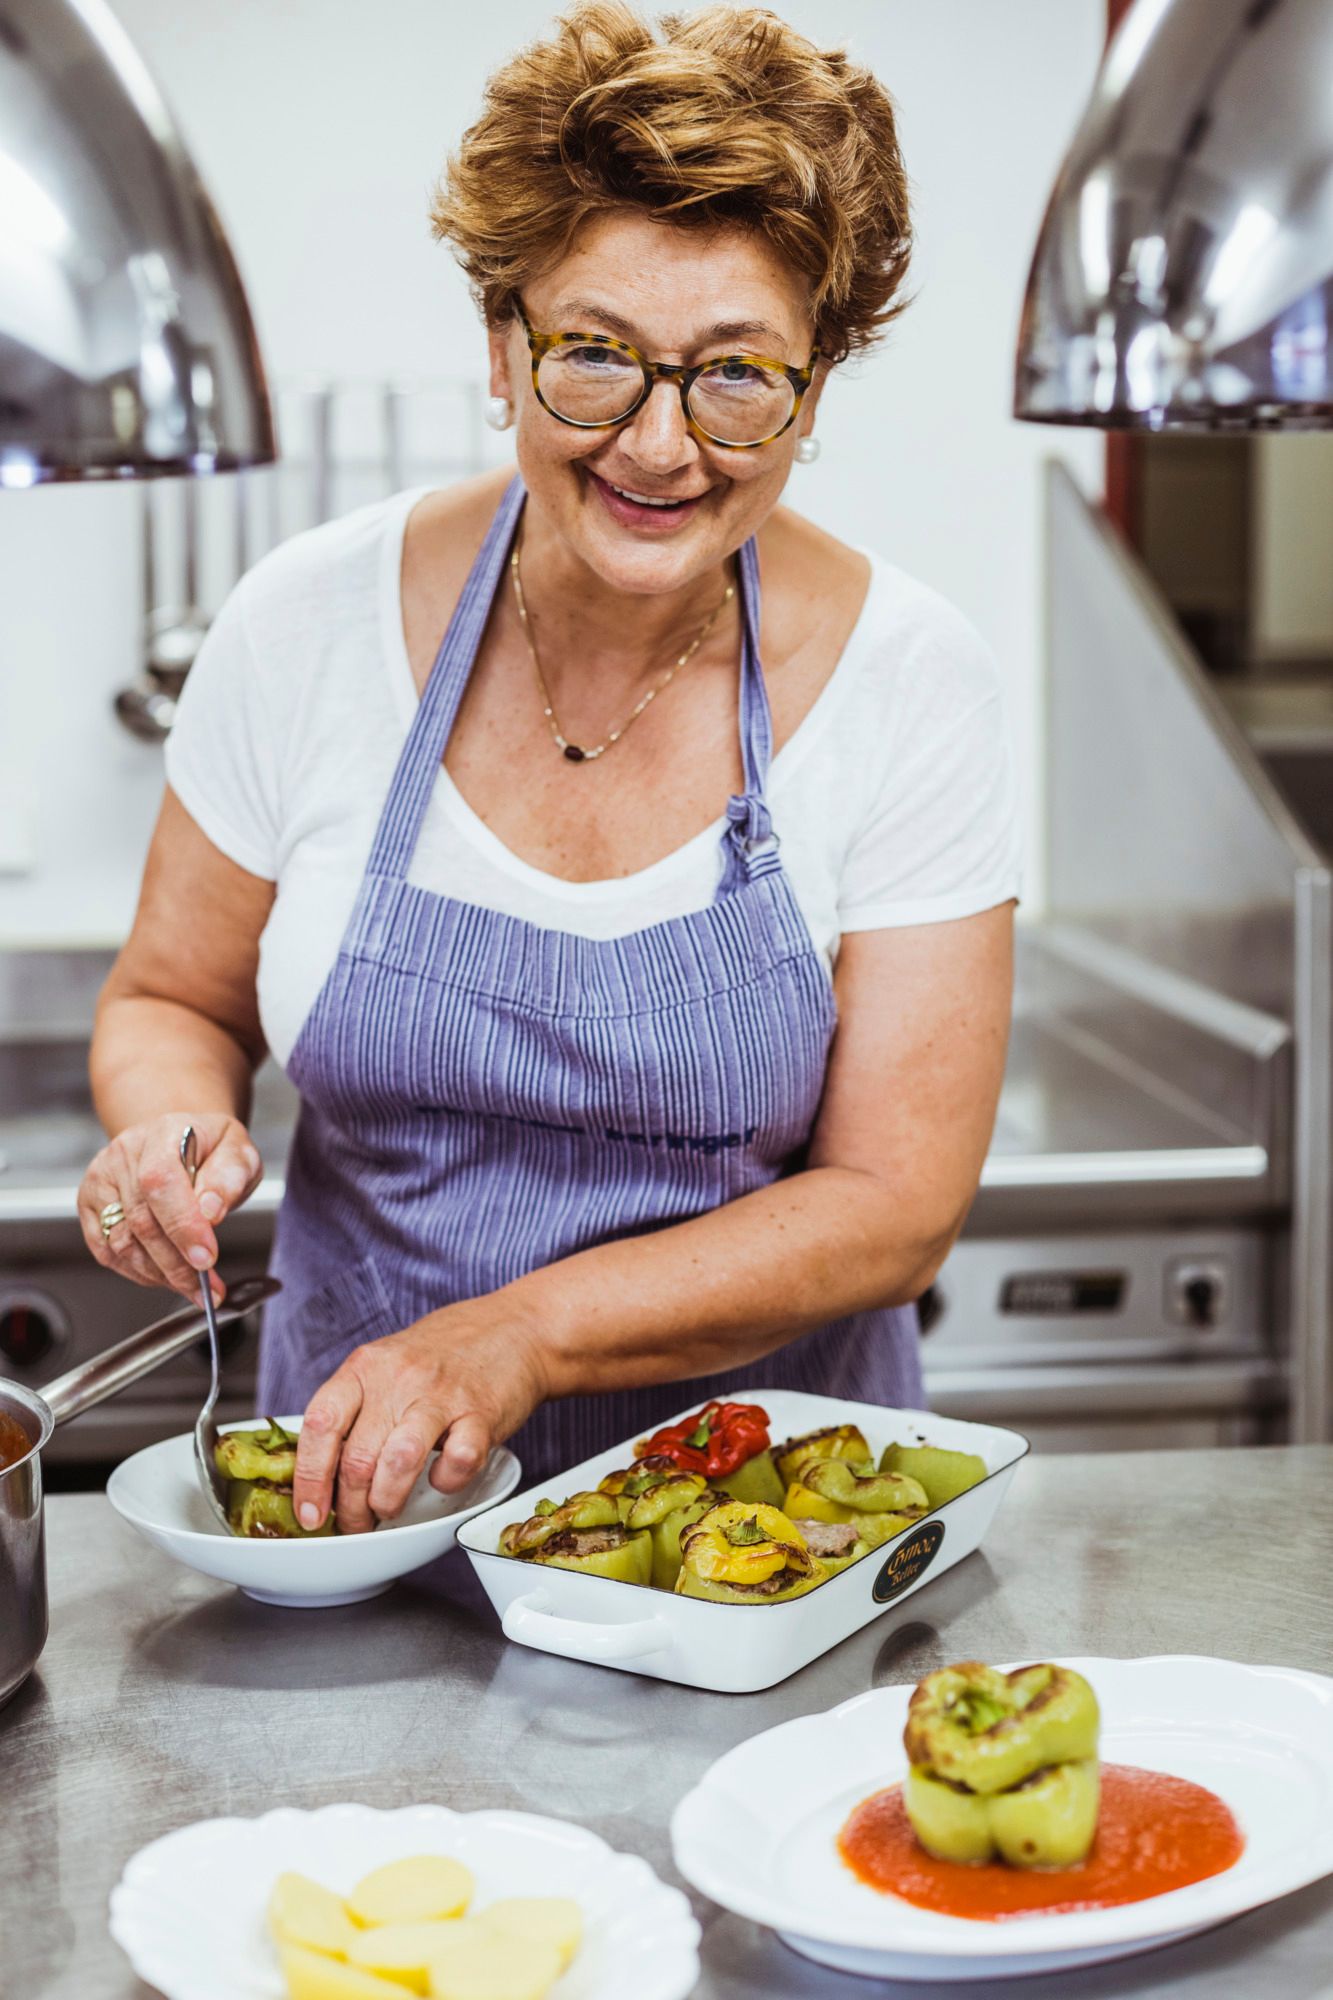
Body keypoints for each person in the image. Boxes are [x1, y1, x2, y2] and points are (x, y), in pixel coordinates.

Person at [80, 1, 1018, 1534]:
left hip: (757, 1547)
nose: (657, 447)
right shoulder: (307, 620)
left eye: (736, 376)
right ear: (501, 345)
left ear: (815, 386)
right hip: (358, 1516)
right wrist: (165, 1132)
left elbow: (892, 1211)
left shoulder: (911, 680)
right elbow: (173, 999)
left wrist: (517, 1334)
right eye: (597, 356)